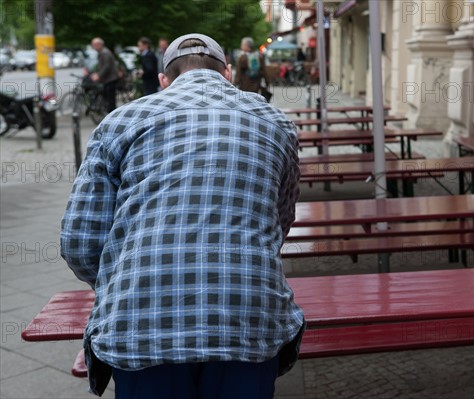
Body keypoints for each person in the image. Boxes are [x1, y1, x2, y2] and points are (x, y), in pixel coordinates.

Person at [61, 32, 304, 399]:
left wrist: (124, 282)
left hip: (139, 328)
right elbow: (280, 221)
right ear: (227, 75)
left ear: (163, 81)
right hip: (249, 320)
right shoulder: (278, 124)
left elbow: (79, 242)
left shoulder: (120, 121)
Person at [90, 37, 119, 112]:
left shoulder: (105, 53)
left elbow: (107, 66)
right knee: (108, 99)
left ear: (99, 44)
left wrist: (98, 75)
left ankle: (111, 116)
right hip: (108, 79)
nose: (93, 47)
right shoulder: (103, 52)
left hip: (110, 79)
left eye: (94, 45)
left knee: (110, 101)